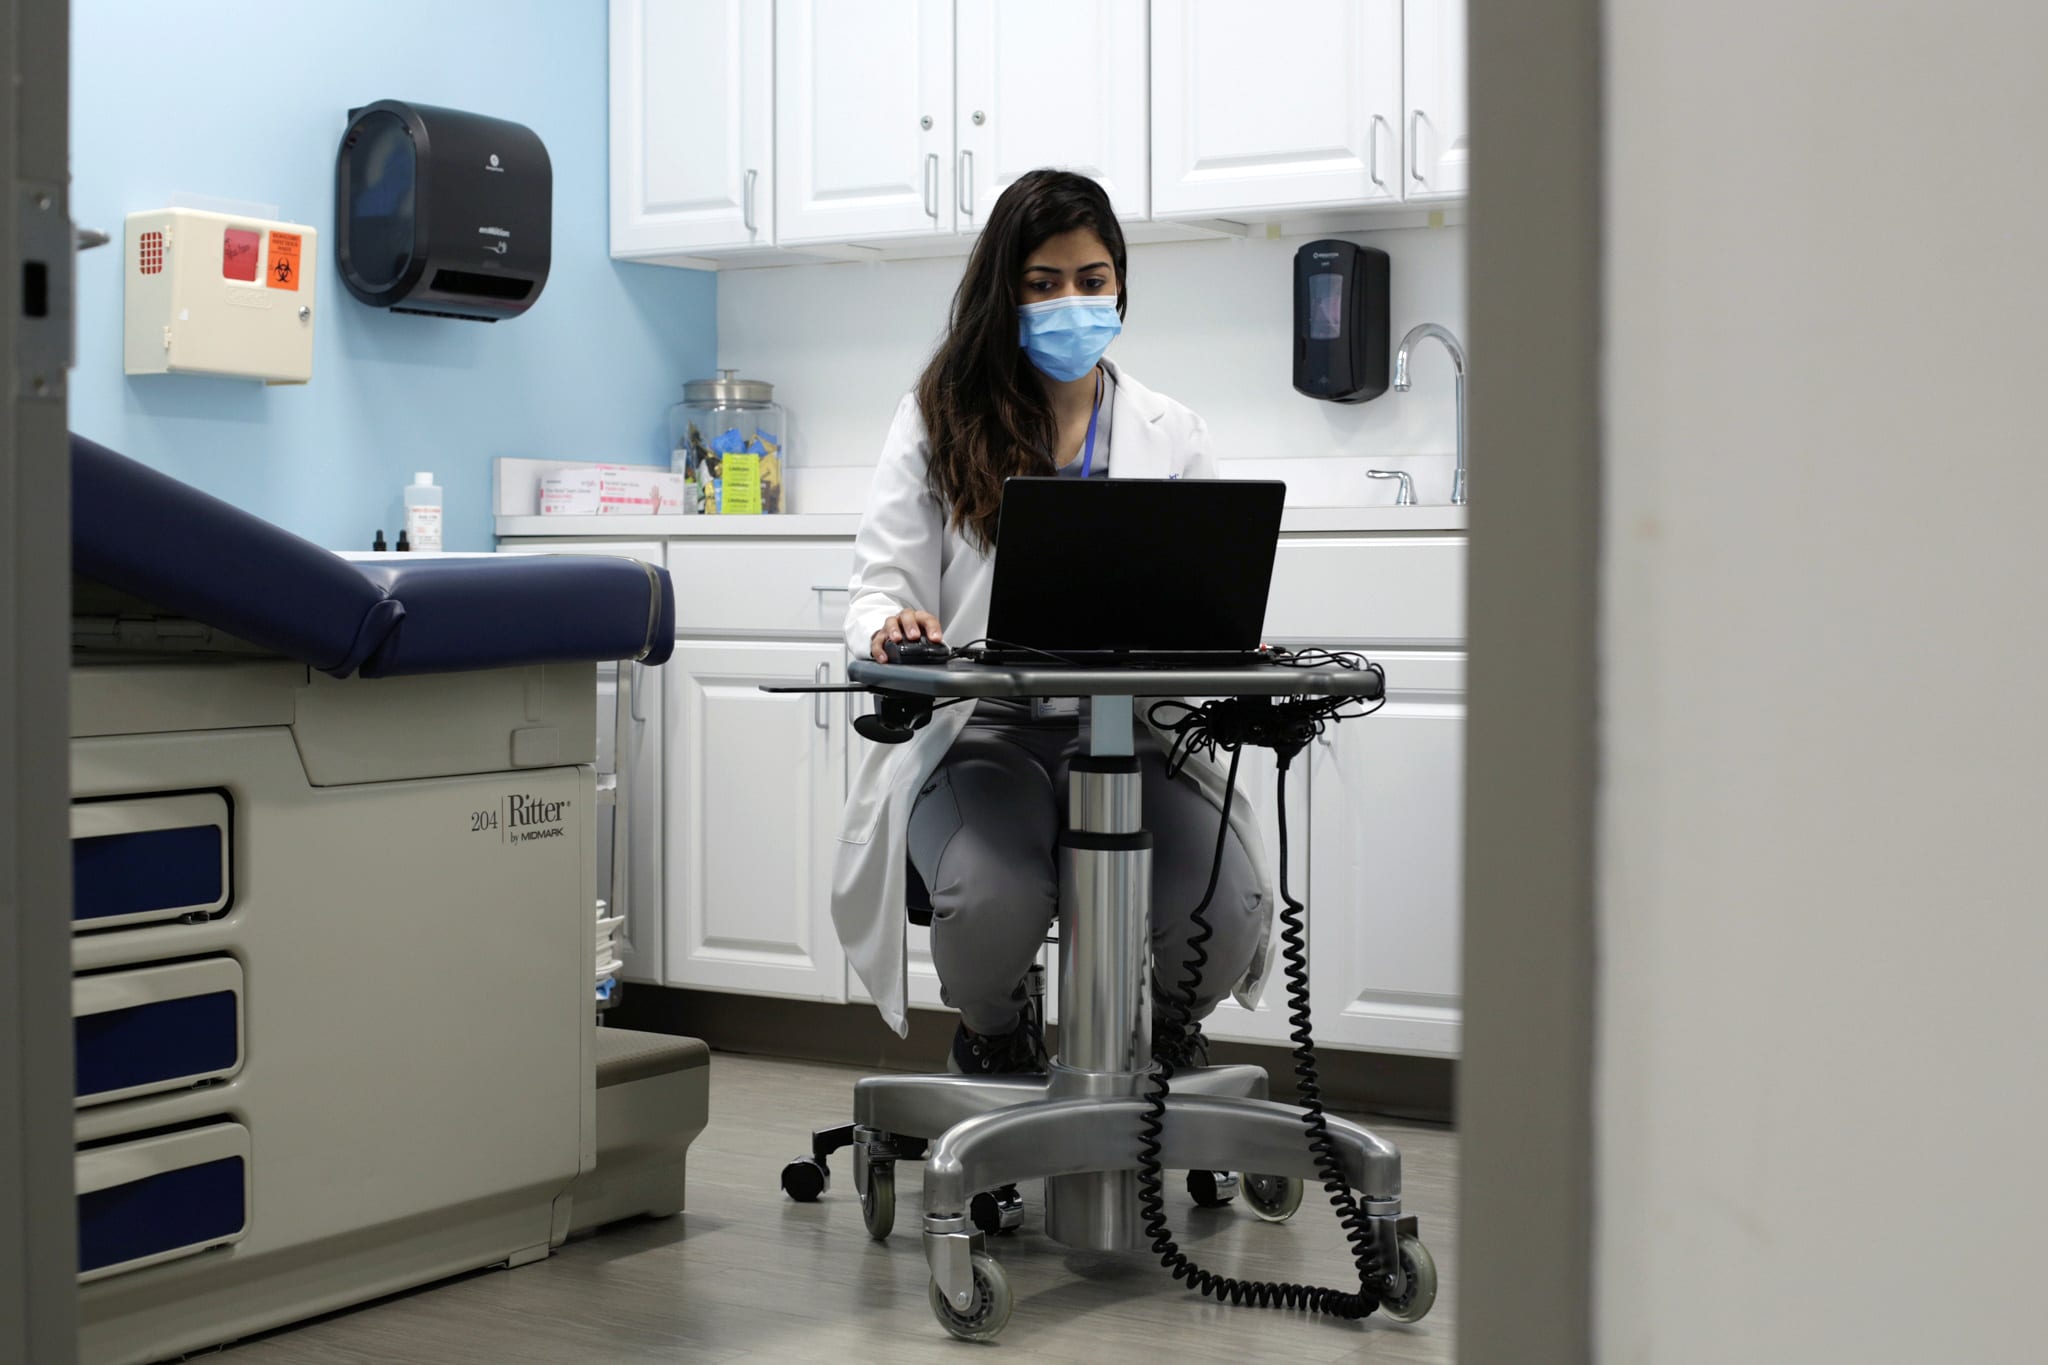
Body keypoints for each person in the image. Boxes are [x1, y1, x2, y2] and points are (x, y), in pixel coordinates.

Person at [834, 169, 1274, 1076]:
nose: (1071, 300)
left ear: (1120, 284)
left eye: (1092, 278)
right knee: (991, 896)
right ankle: (997, 1037)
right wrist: (892, 625)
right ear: (1005, 290)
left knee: (1225, 908)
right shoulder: (935, 418)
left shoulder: (1173, 431)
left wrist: (1227, 643)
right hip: (981, 732)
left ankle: (1163, 1040)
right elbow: (878, 587)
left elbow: (1211, 585)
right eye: (1042, 283)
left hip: (1136, 737)